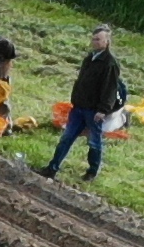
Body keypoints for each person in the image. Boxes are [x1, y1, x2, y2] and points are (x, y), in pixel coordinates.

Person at [44, 26, 124, 182]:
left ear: (107, 42)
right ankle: (52, 168)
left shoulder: (110, 64)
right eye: (93, 39)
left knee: (94, 142)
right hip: (79, 108)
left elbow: (110, 89)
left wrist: (103, 110)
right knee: (66, 138)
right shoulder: (89, 58)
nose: (94, 42)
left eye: (98, 39)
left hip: (94, 111)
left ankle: (92, 172)